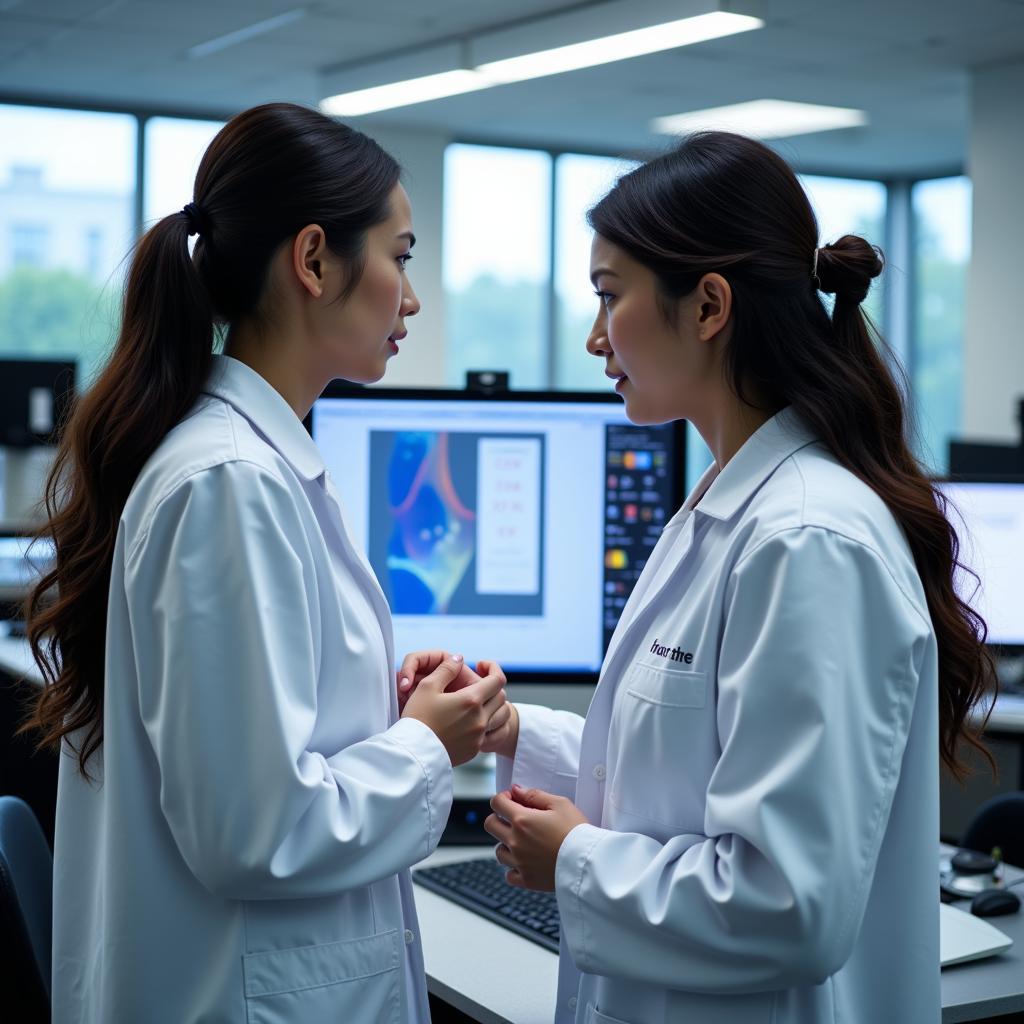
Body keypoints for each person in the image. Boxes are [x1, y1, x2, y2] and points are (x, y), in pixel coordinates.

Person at [469, 132, 993, 1023]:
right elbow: (685, 770)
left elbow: (789, 904)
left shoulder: (807, 539)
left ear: (708, 304)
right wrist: (511, 726)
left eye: (609, 296)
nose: (596, 337)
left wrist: (575, 863)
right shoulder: (729, 505)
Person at [23, 102, 510, 1024]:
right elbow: (256, 832)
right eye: (401, 257)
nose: (412, 298)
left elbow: (254, 751)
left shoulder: (246, 466)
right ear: (316, 258)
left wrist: (386, 711)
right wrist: (424, 744)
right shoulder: (230, 484)